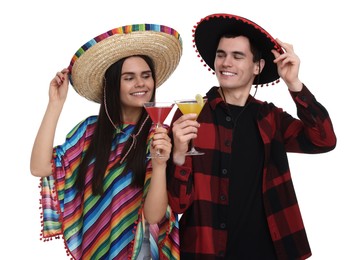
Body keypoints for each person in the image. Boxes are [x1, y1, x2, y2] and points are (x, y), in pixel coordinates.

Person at [167, 13, 337, 259]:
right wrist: (179, 157)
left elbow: (324, 139)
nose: (226, 63)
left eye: (238, 56)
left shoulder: (270, 118)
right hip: (204, 251)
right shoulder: (190, 116)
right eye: (221, 54)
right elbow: (177, 204)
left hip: (267, 251)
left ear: (258, 66)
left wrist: (294, 83)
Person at [30, 23, 182, 260]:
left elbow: (154, 217)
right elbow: (40, 167)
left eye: (146, 76)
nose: (141, 84)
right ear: (112, 85)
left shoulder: (159, 135)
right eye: (129, 78)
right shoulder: (89, 132)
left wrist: (160, 164)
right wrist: (55, 104)